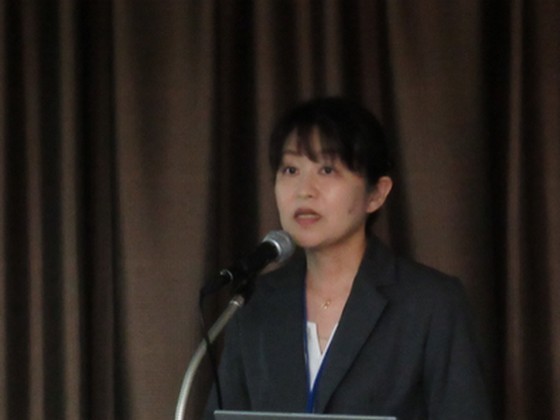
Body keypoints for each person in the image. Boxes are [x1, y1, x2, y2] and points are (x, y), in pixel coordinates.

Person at [204, 97, 492, 419]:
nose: (304, 190)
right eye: (290, 170)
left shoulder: (430, 303)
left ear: (376, 194)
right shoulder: (253, 303)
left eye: (327, 170)